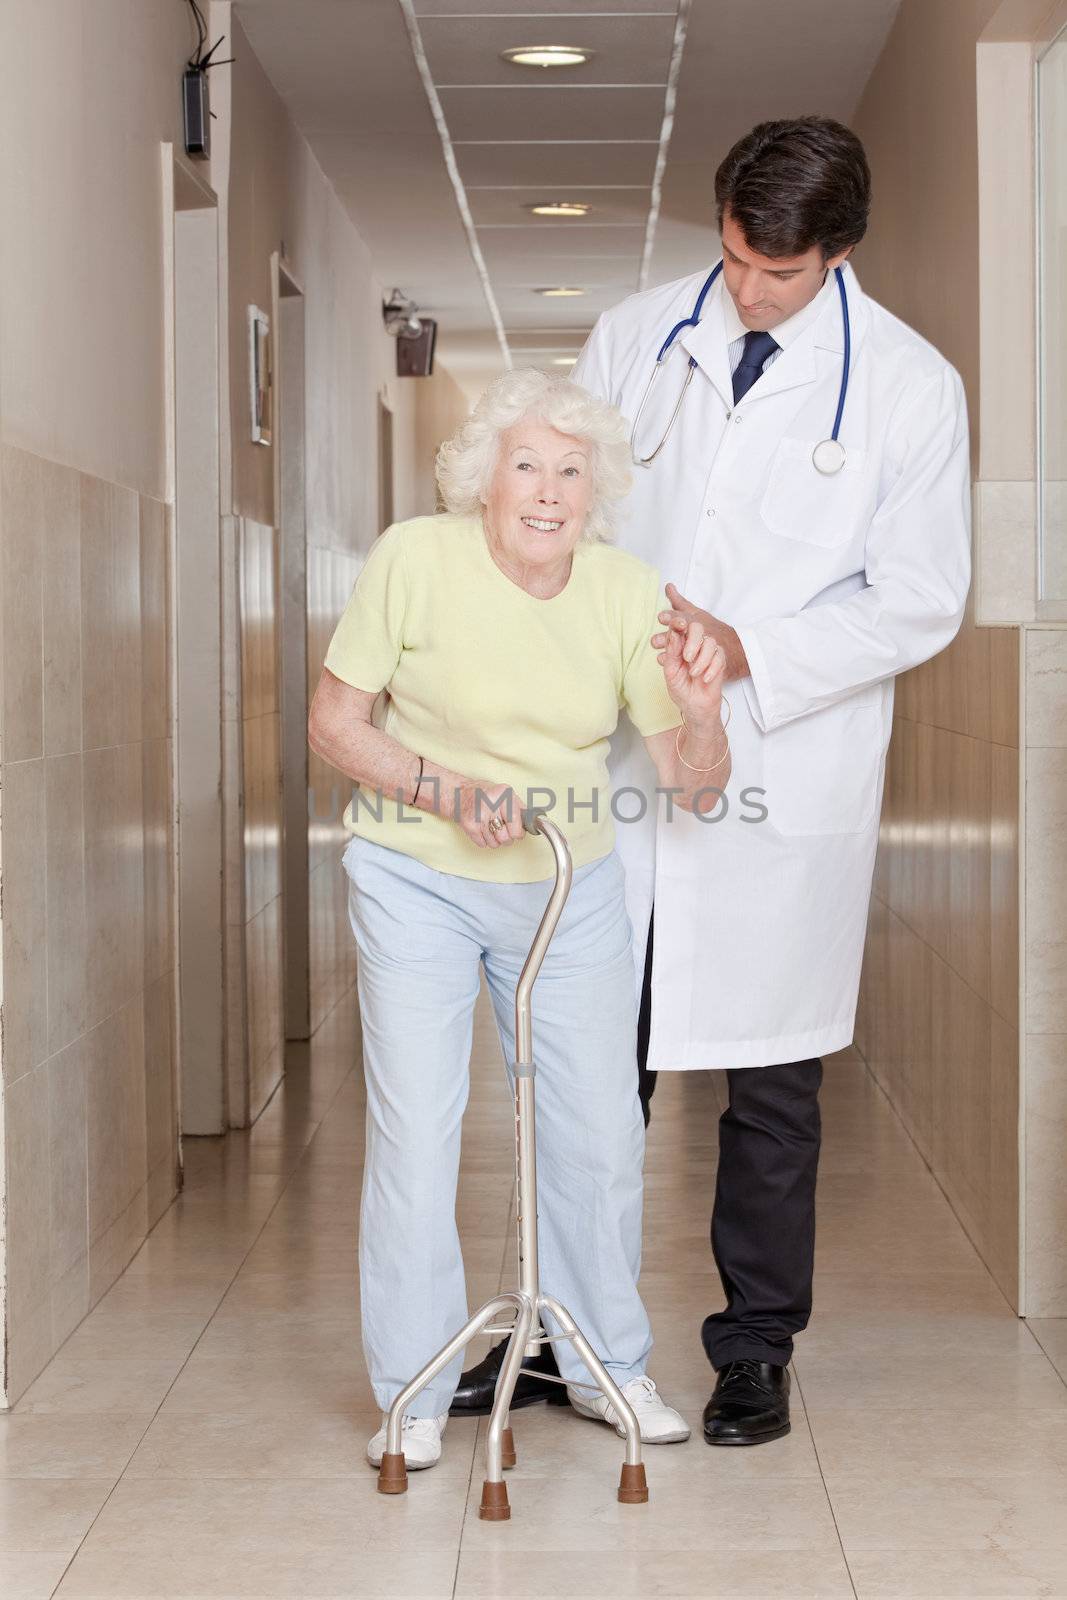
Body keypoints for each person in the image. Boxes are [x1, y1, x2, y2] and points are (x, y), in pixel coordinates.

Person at [454, 117, 971, 1447]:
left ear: (838, 252)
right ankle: (570, 1332)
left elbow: (919, 599)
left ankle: (751, 1353)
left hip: (779, 764)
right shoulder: (635, 335)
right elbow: (574, 499)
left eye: (778, 277)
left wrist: (751, 647)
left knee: (770, 1089)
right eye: (736, 258)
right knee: (587, 1060)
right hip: (622, 751)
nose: (746, 292)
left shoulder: (906, 387)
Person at [308, 368, 731, 1471]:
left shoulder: (626, 590)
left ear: (596, 492)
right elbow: (335, 722)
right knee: (418, 1125)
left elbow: (694, 786)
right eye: (525, 463)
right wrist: (443, 790)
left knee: (596, 1128)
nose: (546, 491)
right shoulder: (414, 559)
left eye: (570, 470)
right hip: (415, 878)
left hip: (565, 884)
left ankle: (600, 1362)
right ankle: (413, 1386)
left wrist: (700, 712)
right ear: (483, 478)